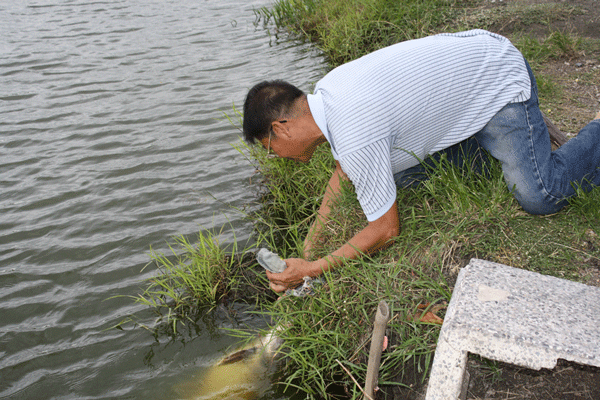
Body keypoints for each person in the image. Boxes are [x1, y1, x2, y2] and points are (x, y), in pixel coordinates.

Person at [242, 29, 600, 293]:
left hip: (498, 79)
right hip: (472, 66)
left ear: (282, 128)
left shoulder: (353, 131)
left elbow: (386, 230)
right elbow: (344, 172)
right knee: (402, 179)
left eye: (269, 147)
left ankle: (588, 130)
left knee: (540, 195)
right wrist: (309, 245)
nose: (275, 155)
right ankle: (504, 143)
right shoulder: (328, 93)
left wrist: (314, 269)